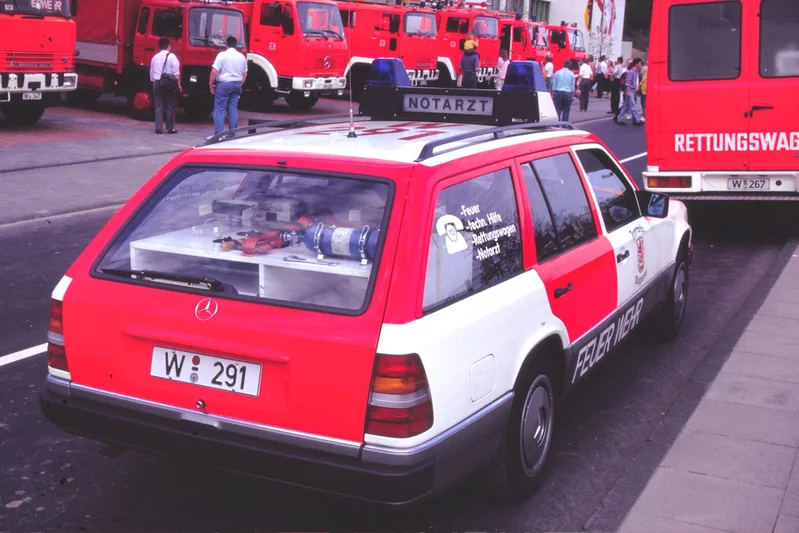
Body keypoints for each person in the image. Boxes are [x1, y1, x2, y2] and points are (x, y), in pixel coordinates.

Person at [210, 36, 248, 136]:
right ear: (235, 45)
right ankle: (232, 135)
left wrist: (211, 84)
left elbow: (213, 72)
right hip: (237, 85)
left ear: (226, 44)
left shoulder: (222, 55)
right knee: (233, 109)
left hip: (224, 85)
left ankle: (218, 135)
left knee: (220, 109)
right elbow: (245, 74)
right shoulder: (242, 57)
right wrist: (240, 84)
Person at [149, 37, 181, 134]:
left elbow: (151, 72)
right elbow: (176, 73)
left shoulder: (154, 57)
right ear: (168, 46)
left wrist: (154, 82)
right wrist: (178, 85)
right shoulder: (172, 57)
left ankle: (158, 128)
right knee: (169, 106)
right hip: (168, 84)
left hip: (157, 83)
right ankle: (170, 128)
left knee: (158, 106)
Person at [614, 58, 643, 126]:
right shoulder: (631, 72)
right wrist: (628, 91)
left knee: (625, 105)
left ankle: (619, 119)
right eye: (640, 63)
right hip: (629, 90)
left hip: (632, 90)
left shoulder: (636, 72)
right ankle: (637, 120)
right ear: (636, 64)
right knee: (633, 105)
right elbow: (628, 83)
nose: (641, 64)